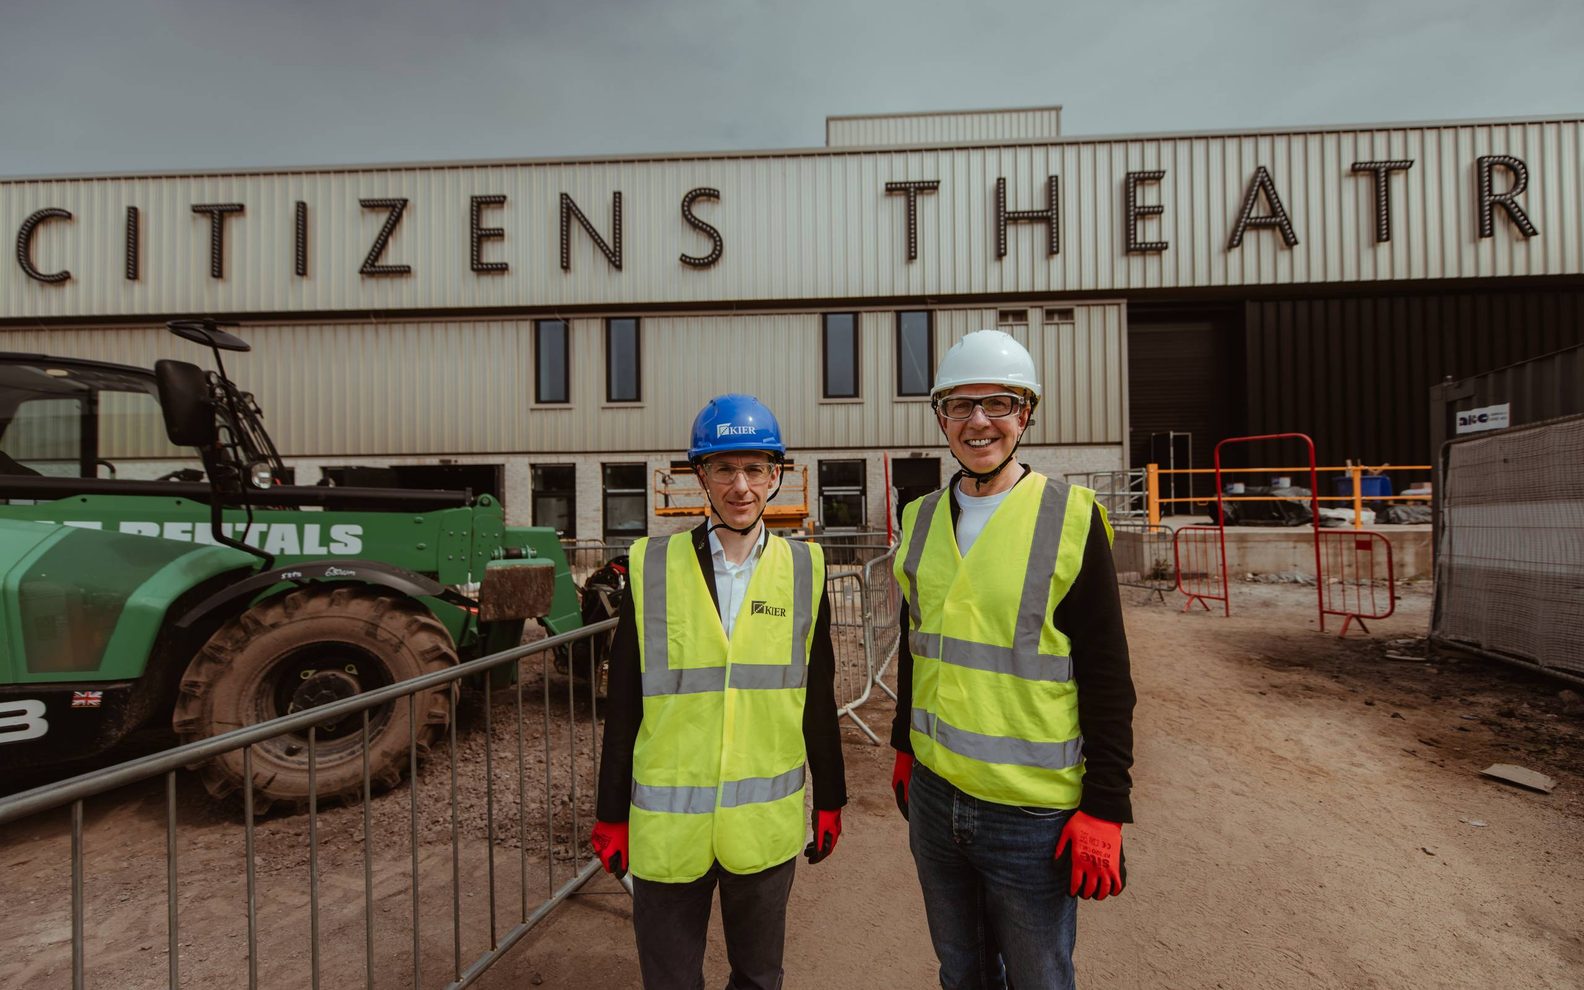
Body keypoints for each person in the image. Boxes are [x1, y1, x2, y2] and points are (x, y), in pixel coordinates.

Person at [889, 330, 1136, 990]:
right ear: (940, 418)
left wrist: (1107, 807)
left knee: (1039, 979)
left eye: (998, 403)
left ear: (1026, 414)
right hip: (937, 801)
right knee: (961, 973)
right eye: (960, 406)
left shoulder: (1070, 518)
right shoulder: (917, 520)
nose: (978, 422)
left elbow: (1108, 677)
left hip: (1030, 817)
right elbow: (919, 649)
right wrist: (902, 748)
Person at [590, 393, 847, 990]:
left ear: (776, 475)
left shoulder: (806, 570)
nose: (740, 486)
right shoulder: (651, 567)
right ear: (700, 475)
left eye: (755, 468)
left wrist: (831, 796)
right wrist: (610, 815)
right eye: (724, 469)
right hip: (668, 832)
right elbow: (624, 703)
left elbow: (817, 696)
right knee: (671, 981)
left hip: (762, 831)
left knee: (759, 978)